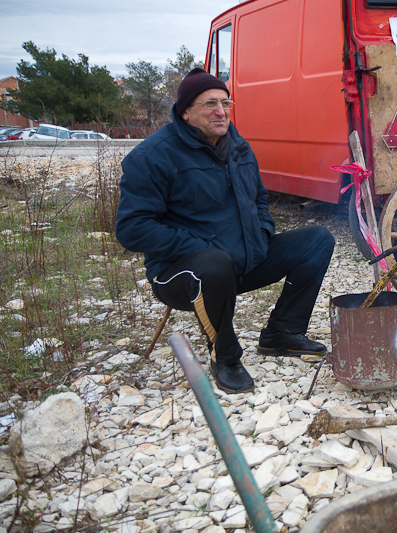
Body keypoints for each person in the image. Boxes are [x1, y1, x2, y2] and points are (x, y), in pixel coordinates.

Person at [116, 68, 335, 394]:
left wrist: (262, 232)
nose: (221, 111)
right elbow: (132, 229)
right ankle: (226, 357)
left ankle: (282, 333)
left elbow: (260, 198)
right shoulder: (152, 156)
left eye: (225, 103)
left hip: (242, 260)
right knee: (214, 263)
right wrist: (199, 244)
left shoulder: (238, 146)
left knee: (317, 239)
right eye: (209, 104)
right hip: (181, 275)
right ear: (186, 112)